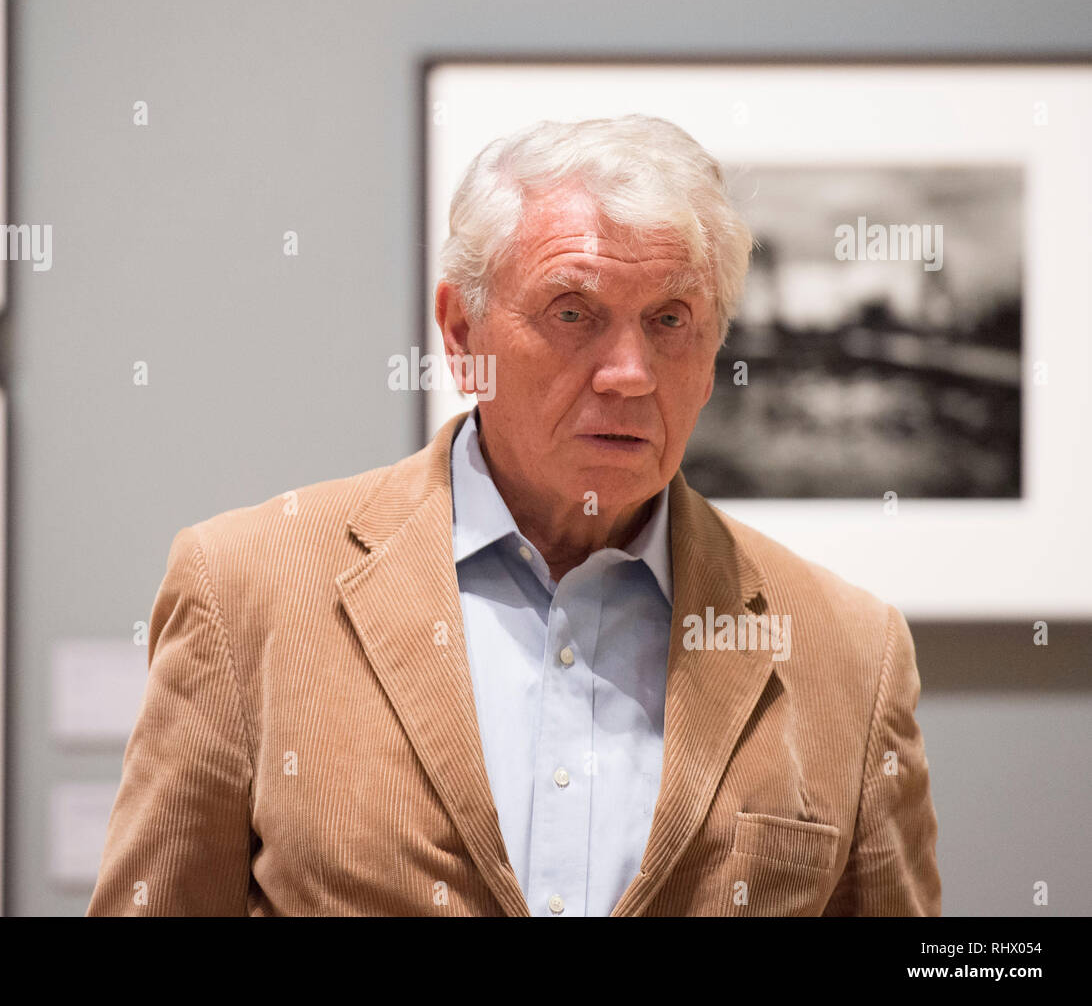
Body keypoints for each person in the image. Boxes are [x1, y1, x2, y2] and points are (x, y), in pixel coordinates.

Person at [87, 114, 940, 916]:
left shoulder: (850, 656)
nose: (630, 373)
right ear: (462, 336)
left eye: (671, 320)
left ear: (715, 349)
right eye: (574, 314)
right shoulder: (247, 591)